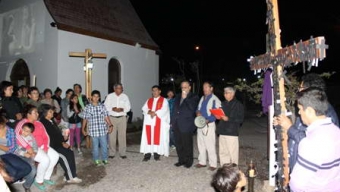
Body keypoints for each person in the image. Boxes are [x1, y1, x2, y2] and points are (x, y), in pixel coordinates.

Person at [274, 73, 339, 172]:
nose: (298, 91)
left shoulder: (325, 115)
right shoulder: (305, 109)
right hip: (296, 165)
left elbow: (314, 145)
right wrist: (283, 124)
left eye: (301, 88)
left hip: (310, 174)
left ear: (310, 91)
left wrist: (290, 127)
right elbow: (298, 132)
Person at [289, 87, 340, 191]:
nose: (299, 113)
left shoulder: (311, 143)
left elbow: (296, 184)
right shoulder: (336, 131)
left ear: (309, 111)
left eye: (300, 109)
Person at [15, 104, 59, 191]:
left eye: (37, 112)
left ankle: (46, 177)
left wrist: (46, 147)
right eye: (35, 112)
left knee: (55, 156)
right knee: (45, 160)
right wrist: (28, 147)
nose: (37, 114)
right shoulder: (23, 123)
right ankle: (39, 180)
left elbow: (46, 136)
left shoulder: (39, 123)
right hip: (32, 148)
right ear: (28, 114)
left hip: (42, 146)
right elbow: (17, 135)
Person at [39, 104, 82, 184]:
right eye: (50, 112)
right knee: (64, 157)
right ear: (45, 113)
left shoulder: (50, 120)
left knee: (70, 153)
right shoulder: (44, 123)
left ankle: (68, 175)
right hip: (52, 147)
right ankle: (70, 177)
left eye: (52, 111)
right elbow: (51, 137)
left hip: (57, 143)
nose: (53, 113)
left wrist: (63, 141)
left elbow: (56, 134)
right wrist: (63, 140)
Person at [0, 114, 33, 192]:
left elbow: (12, 149)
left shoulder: (10, 131)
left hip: (8, 154)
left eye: (1, 126)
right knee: (13, 172)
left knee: (27, 168)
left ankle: (5, 183)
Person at [172, 81, 199, 168]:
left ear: (189, 87)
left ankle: (188, 161)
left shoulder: (194, 96)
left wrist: (186, 98)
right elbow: (175, 109)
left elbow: (192, 108)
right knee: (179, 144)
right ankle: (181, 160)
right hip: (177, 123)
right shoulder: (178, 96)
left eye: (185, 87)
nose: (183, 89)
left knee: (187, 144)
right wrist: (172, 121)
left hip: (187, 124)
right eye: (182, 87)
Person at [82, 90, 113, 166]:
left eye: (97, 96)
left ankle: (104, 159)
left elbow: (106, 116)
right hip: (93, 131)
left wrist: (110, 125)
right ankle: (96, 159)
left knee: (104, 145)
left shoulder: (102, 106)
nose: (96, 98)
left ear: (99, 97)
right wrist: (83, 129)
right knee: (95, 147)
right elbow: (85, 119)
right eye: (94, 96)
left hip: (103, 130)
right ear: (91, 97)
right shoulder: (88, 107)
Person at [195, 82, 221, 171]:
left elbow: (217, 114)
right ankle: (202, 162)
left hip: (209, 124)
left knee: (210, 144)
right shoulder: (202, 98)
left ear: (211, 88)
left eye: (206, 87)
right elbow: (198, 108)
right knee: (200, 143)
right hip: (200, 123)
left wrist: (208, 120)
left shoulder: (215, 99)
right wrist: (198, 113)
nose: (204, 89)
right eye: (203, 87)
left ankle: (213, 163)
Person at [140, 85, 170, 161]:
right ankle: (147, 154)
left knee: (158, 137)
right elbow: (144, 108)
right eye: (153, 90)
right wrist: (150, 112)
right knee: (148, 138)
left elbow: (164, 110)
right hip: (149, 123)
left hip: (158, 123)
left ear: (159, 91)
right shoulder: (149, 100)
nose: (154, 92)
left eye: (156, 90)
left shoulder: (164, 100)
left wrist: (155, 113)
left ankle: (157, 154)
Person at [216, 87, 244, 166]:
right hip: (222, 131)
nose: (225, 94)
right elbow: (220, 116)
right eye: (224, 92)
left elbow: (240, 119)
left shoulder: (238, 105)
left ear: (232, 94)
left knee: (233, 154)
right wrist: (217, 116)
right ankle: (224, 171)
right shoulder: (222, 104)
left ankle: (234, 171)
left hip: (231, 132)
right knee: (223, 153)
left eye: (227, 92)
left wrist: (229, 119)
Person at [104, 83, 131, 159]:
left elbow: (128, 107)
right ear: (114, 89)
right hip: (112, 118)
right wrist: (113, 109)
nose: (120, 90)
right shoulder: (109, 96)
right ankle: (112, 153)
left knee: (122, 136)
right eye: (118, 88)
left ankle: (122, 153)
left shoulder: (125, 96)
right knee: (112, 136)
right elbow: (105, 106)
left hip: (122, 118)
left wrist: (122, 109)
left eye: (121, 88)